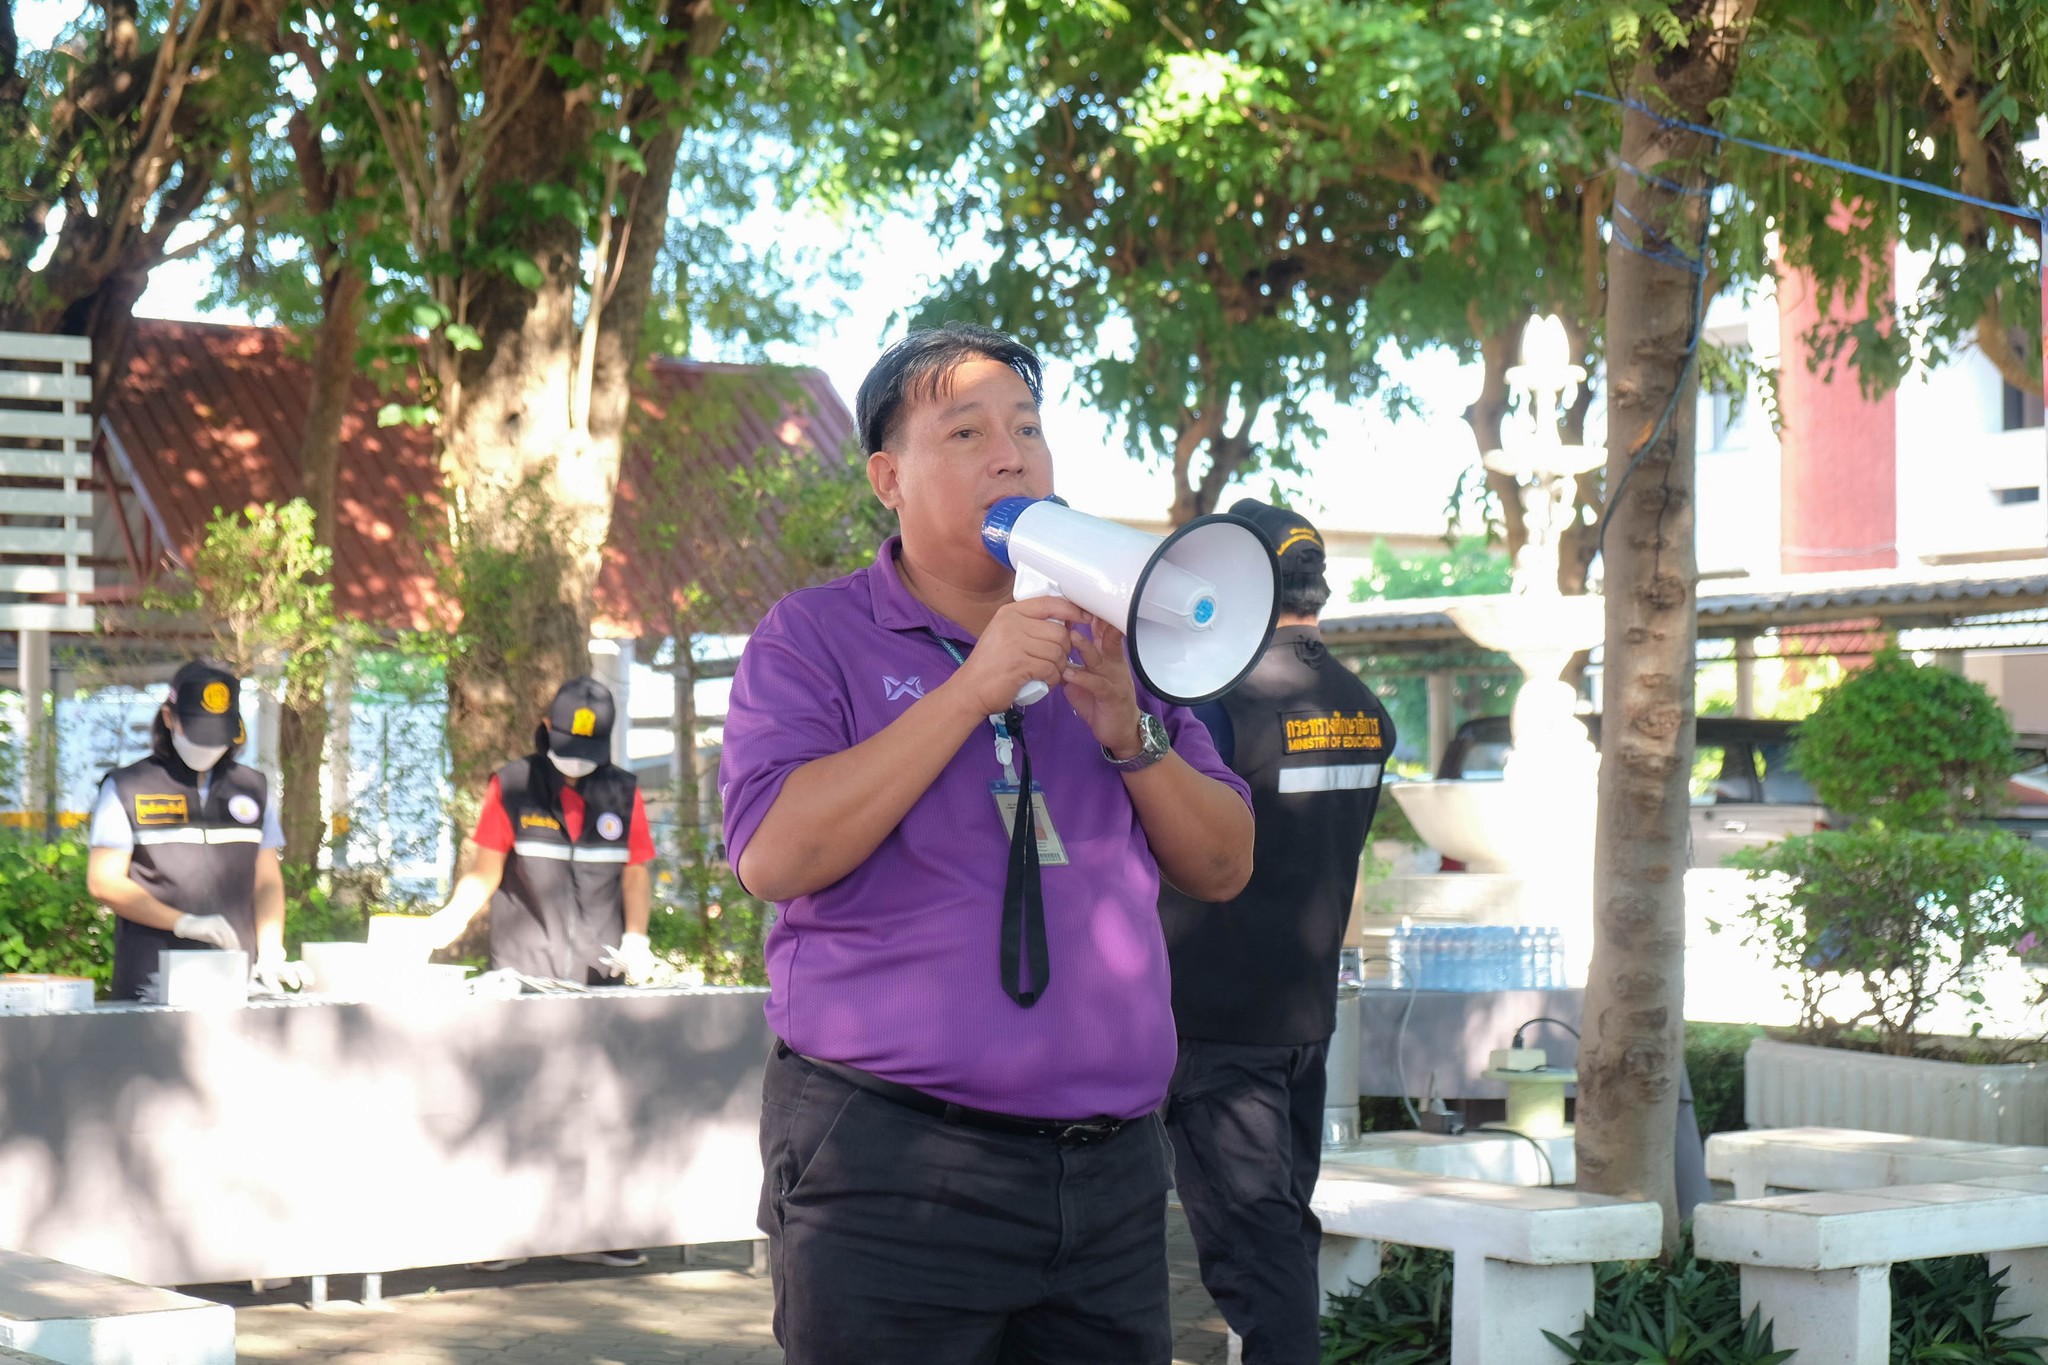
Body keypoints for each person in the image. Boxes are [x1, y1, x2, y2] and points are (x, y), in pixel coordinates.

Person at [719, 322, 1256, 1364]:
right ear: (888, 477)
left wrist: (1126, 730)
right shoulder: (812, 637)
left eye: (1027, 429)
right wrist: (971, 689)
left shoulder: (1115, 636)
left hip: (1103, 1184)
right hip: (890, 1170)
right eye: (964, 432)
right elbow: (775, 857)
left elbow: (1225, 864)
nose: (1011, 455)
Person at [1157, 500, 1398, 1365]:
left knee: (1254, 1258)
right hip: (1304, 1018)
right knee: (1282, 1230)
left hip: (1213, 1022)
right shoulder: (1367, 708)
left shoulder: (1215, 709)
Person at [427, 675, 658, 1272]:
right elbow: (482, 875)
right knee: (517, 1099)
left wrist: (637, 939)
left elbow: (635, 874)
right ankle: (506, 1233)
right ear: (546, 727)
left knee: (599, 1103)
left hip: (599, 973)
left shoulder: (624, 792)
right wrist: (435, 931)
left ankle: (600, 1229)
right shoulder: (511, 785)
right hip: (524, 968)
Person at [87, 660, 291, 1000]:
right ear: (169, 718)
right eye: (197, 733)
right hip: (151, 983)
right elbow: (104, 881)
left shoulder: (252, 788)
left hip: (235, 980)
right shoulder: (127, 787)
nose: (208, 747)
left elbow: (267, 880)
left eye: (217, 736)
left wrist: (271, 951)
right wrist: (183, 922)